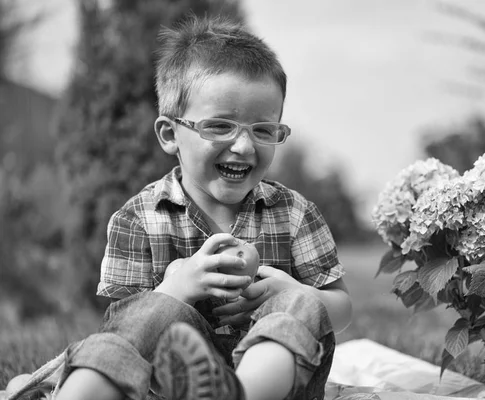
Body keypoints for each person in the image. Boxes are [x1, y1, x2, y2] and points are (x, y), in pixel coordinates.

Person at [53, 15, 352, 400]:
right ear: (169, 134)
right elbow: (126, 328)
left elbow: (341, 309)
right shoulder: (139, 218)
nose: (244, 147)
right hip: (171, 384)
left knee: (301, 302)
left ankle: (239, 393)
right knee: (153, 311)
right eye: (220, 126)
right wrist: (176, 288)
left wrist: (295, 291)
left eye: (263, 130)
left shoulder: (294, 213)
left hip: (281, 387)